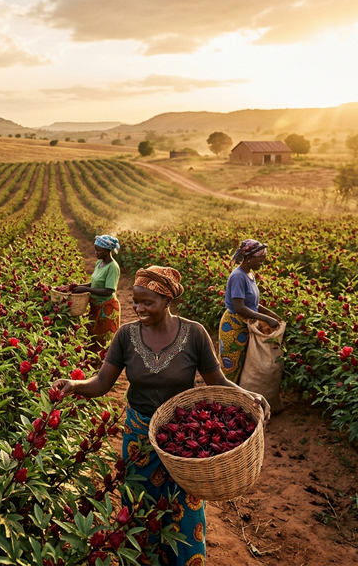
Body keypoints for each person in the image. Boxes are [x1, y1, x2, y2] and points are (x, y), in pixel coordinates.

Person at [53, 265, 270, 566]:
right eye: (136, 301)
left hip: (182, 438)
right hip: (139, 437)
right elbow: (102, 383)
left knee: (186, 506)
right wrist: (74, 384)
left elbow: (217, 381)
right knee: (139, 507)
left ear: (167, 301)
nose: (139, 308)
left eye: (147, 302)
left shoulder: (194, 334)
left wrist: (249, 396)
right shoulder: (125, 336)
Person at [218, 239, 281, 383]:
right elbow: (240, 308)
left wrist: (271, 314)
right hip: (233, 326)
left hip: (245, 325)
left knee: (244, 365)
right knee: (231, 367)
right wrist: (266, 319)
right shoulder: (238, 276)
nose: (262, 263)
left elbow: (253, 304)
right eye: (260, 260)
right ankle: (223, 398)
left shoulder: (249, 275)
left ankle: (238, 399)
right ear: (249, 258)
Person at [71, 234, 120, 351]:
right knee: (92, 338)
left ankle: (103, 367)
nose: (95, 252)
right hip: (95, 306)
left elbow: (109, 291)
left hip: (107, 309)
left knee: (103, 341)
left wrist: (86, 289)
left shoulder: (113, 267)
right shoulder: (99, 263)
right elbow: (94, 282)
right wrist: (78, 287)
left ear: (107, 250)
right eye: (95, 249)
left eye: (98, 250)